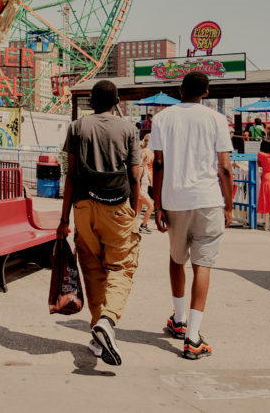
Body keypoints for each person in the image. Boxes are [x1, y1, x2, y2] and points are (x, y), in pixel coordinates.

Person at [57, 79, 141, 366]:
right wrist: (136, 215)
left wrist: (63, 218)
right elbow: (136, 177)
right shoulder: (129, 129)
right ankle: (107, 320)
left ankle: (97, 335)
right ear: (117, 102)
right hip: (117, 205)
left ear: (90, 102)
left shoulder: (77, 128)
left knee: (92, 267)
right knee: (121, 267)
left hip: (83, 205)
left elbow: (70, 175)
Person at [151, 71, 234, 361]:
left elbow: (158, 164)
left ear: (180, 89)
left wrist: (157, 205)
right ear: (207, 93)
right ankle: (193, 337)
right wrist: (229, 204)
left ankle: (178, 318)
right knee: (203, 265)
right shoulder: (216, 119)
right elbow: (224, 167)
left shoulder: (162, 118)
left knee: (176, 259)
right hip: (208, 199)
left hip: (174, 201)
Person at [138, 133, 155, 233]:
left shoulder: (144, 167)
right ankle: (143, 225)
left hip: (144, 186)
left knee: (138, 209)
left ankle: (136, 226)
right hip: (142, 189)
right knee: (151, 206)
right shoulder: (142, 167)